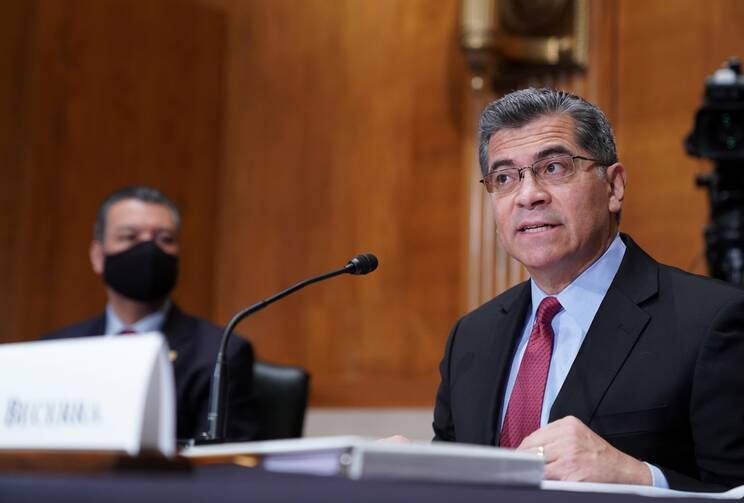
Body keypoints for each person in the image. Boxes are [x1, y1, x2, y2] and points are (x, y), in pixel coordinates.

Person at [432, 88, 744, 491]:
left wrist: (640, 477)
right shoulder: (470, 337)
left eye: (555, 167)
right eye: (505, 178)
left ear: (613, 187)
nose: (529, 195)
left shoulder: (713, 322)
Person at [43, 186, 257, 441]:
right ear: (98, 256)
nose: (149, 249)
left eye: (164, 239)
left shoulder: (221, 354)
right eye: (129, 237)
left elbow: (223, 464)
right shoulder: (53, 351)